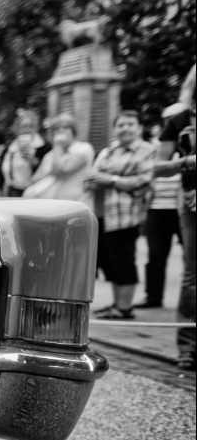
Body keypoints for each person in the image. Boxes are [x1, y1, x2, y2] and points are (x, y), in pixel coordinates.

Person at [84, 110, 156, 320]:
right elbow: (90, 178)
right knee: (111, 262)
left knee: (124, 261)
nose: (125, 128)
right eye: (121, 125)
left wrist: (108, 179)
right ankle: (117, 304)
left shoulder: (147, 150)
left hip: (126, 215)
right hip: (103, 214)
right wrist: (118, 180)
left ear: (139, 128)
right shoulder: (108, 151)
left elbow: (141, 182)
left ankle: (125, 308)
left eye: (130, 124)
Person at [154, 64, 196, 370]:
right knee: (193, 275)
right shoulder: (179, 120)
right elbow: (159, 166)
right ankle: (189, 348)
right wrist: (187, 161)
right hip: (192, 202)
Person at [139, 107, 184, 310]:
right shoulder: (154, 149)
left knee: (190, 255)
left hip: (183, 206)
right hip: (158, 207)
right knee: (156, 255)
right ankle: (153, 297)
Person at [22, 114, 94, 209]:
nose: (60, 130)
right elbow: (34, 180)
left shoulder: (84, 148)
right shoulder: (50, 155)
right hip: (50, 208)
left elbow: (62, 171)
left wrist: (58, 145)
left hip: (75, 208)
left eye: (65, 127)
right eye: (56, 129)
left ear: (73, 131)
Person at [0, 109, 50, 196]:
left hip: (35, 194)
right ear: (17, 128)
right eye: (23, 126)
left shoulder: (44, 147)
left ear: (36, 127)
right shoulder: (10, 149)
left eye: (30, 126)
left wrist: (32, 160)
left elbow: (47, 173)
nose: (27, 129)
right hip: (13, 193)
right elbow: (1, 173)